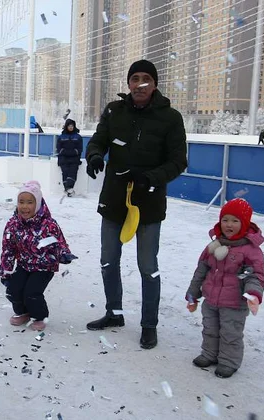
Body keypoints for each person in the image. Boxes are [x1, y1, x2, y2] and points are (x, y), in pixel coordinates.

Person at [84, 59, 187, 349]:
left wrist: (150, 178)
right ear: (128, 83)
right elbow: (98, 140)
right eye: (135, 78)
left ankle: (149, 325)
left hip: (148, 202)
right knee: (108, 260)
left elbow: (179, 161)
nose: (140, 84)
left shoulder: (170, 118)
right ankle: (114, 313)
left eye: (146, 79)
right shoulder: (114, 111)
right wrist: (93, 155)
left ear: (155, 84)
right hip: (114, 198)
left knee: (147, 266)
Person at [186, 198, 264, 378]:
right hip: (211, 299)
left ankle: (229, 361)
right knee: (210, 329)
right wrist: (192, 294)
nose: (229, 224)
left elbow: (255, 275)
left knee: (230, 333)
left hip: (234, 302)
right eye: (225, 220)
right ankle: (209, 354)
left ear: (244, 223)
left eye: (235, 221)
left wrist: (253, 294)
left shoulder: (250, 250)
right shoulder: (214, 246)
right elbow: (201, 270)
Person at [0, 181, 76, 331]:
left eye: (29, 202)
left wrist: (64, 254)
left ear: (38, 204)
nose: (25, 207)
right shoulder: (13, 224)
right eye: (21, 202)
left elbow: (59, 243)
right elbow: (8, 248)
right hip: (24, 264)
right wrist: (6, 271)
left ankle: (39, 316)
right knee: (14, 289)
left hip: (44, 266)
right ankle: (23, 312)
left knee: (32, 292)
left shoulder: (48, 224)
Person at [57, 119, 84, 197]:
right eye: (69, 126)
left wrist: (72, 152)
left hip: (74, 160)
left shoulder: (78, 137)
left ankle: (69, 188)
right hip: (63, 159)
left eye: (72, 126)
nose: (71, 127)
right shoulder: (61, 137)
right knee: (65, 172)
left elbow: (79, 149)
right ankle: (68, 189)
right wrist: (66, 152)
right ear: (66, 126)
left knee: (73, 172)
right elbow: (59, 149)